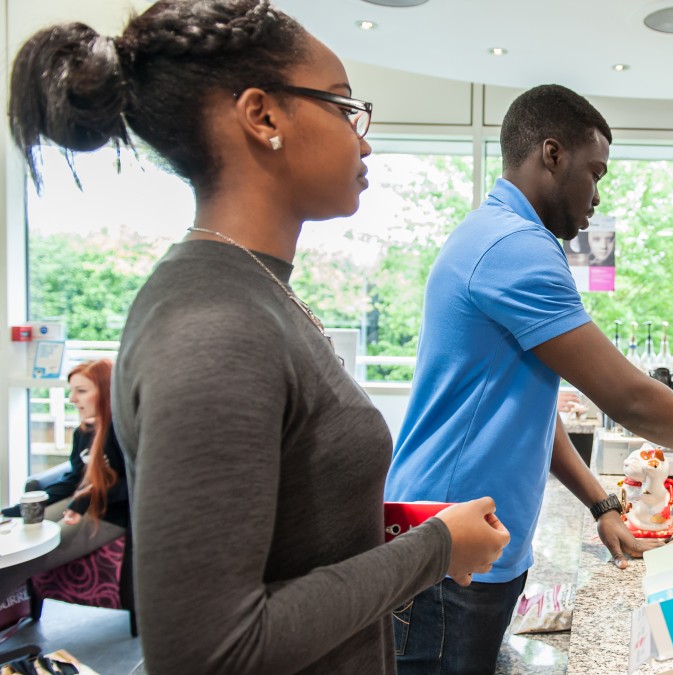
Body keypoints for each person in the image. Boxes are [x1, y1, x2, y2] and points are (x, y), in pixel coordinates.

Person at [8, 2, 507, 673]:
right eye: (340, 105)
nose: (362, 138)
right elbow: (211, 651)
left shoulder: (253, 291)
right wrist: (435, 549)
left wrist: (394, 526)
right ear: (263, 114)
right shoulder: (211, 325)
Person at [385, 84, 673, 674]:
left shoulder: (493, 231)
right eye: (595, 172)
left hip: (467, 541)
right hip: (450, 549)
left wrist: (601, 503)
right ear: (552, 154)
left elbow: (530, 407)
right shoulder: (516, 246)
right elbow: (629, 397)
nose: (597, 196)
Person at [0, 360, 128, 593]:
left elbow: (132, 485)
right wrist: (12, 511)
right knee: (21, 531)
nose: (72, 399)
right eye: (72, 391)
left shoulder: (122, 433)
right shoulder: (84, 431)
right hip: (81, 503)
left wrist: (85, 500)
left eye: (81, 391)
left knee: (25, 557)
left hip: (110, 514)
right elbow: (72, 480)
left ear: (106, 391)